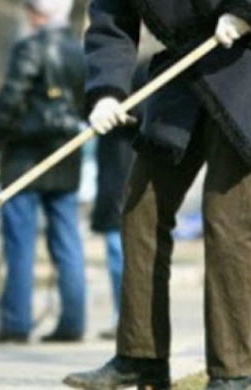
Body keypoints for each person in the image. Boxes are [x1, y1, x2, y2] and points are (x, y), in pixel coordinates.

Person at [64, 0, 251, 389]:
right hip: (189, 67)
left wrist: (245, 9)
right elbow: (111, 22)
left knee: (226, 220)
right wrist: (106, 92)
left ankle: (232, 374)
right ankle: (141, 357)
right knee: (141, 208)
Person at [0, 0, 87, 343]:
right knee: (67, 240)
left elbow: (10, 99)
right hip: (67, 154)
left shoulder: (31, 48)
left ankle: (16, 322)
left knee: (19, 243)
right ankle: (72, 322)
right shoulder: (79, 49)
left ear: (39, 14)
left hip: (26, 156)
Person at [91, 61, 148, 341]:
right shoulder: (107, 67)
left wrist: (132, 112)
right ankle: (123, 316)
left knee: (123, 250)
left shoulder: (147, 66)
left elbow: (157, 108)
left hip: (131, 171)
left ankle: (131, 319)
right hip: (115, 168)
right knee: (117, 248)